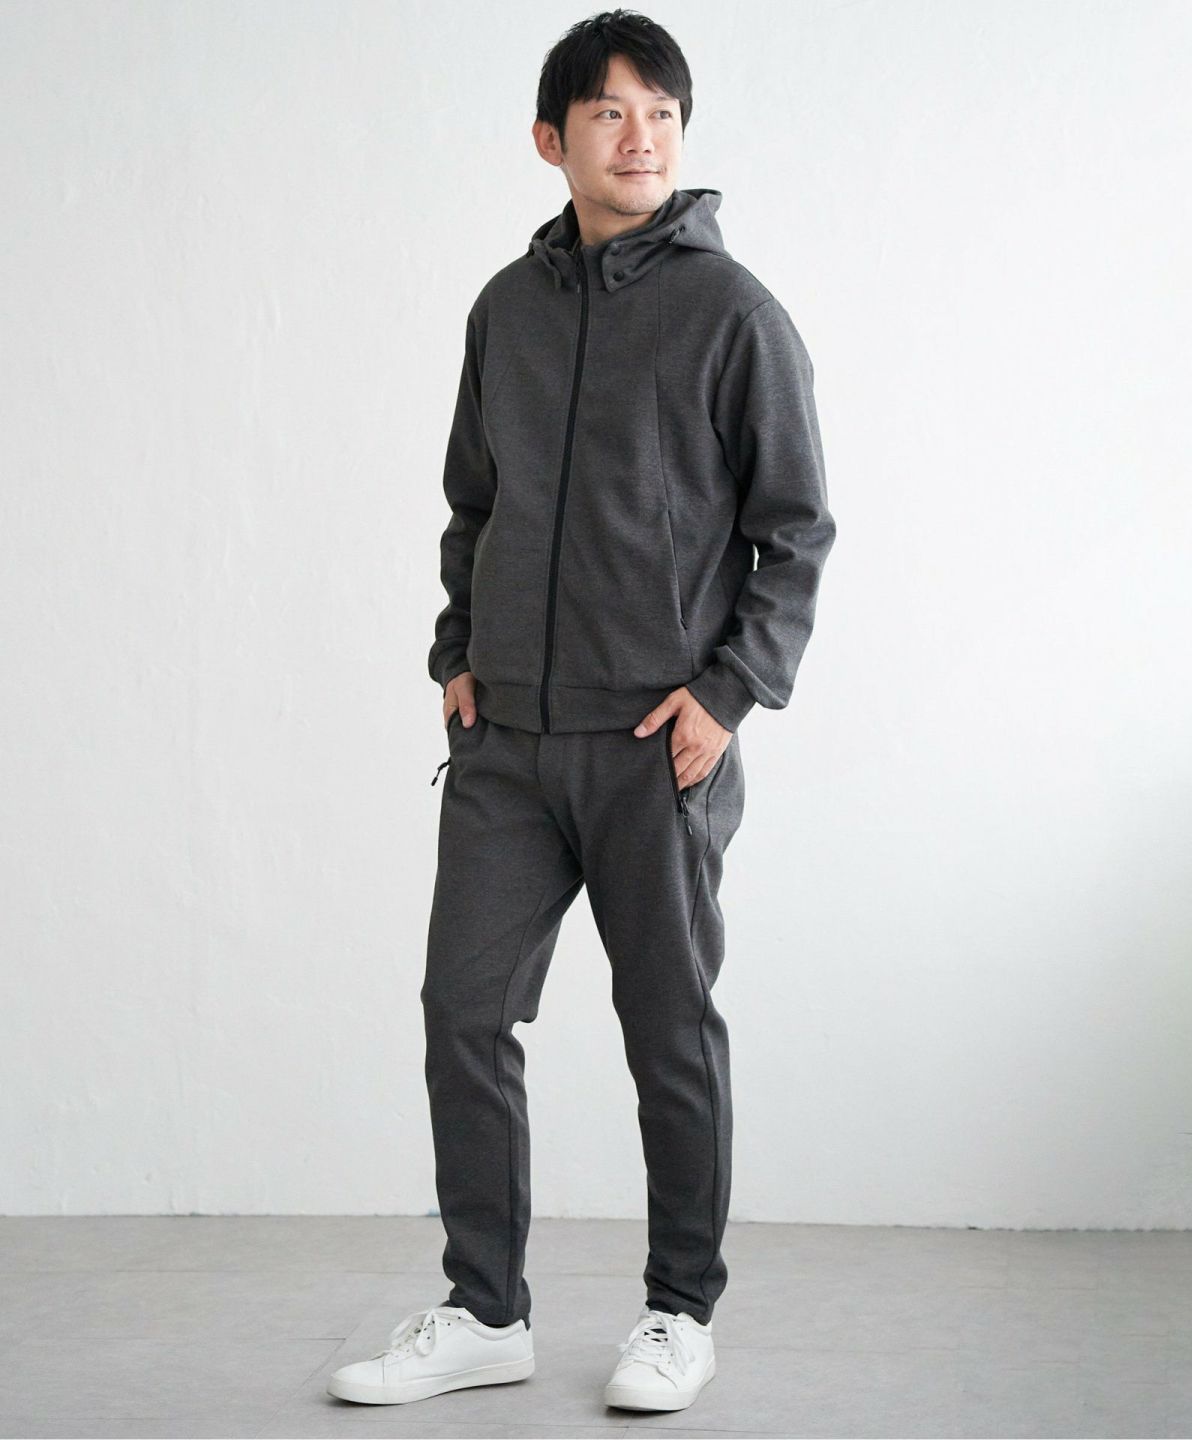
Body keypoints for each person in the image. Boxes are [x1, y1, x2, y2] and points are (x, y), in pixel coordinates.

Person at [327, 5, 836, 1415]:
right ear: (552, 140)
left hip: (652, 747)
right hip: (505, 743)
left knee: (667, 1030)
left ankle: (680, 1312)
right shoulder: (506, 310)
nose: (642, 137)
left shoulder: (735, 315)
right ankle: (486, 1311)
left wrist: (728, 695)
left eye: (661, 112)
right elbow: (473, 505)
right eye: (611, 112)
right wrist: (457, 655)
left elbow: (796, 531)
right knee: (462, 1012)